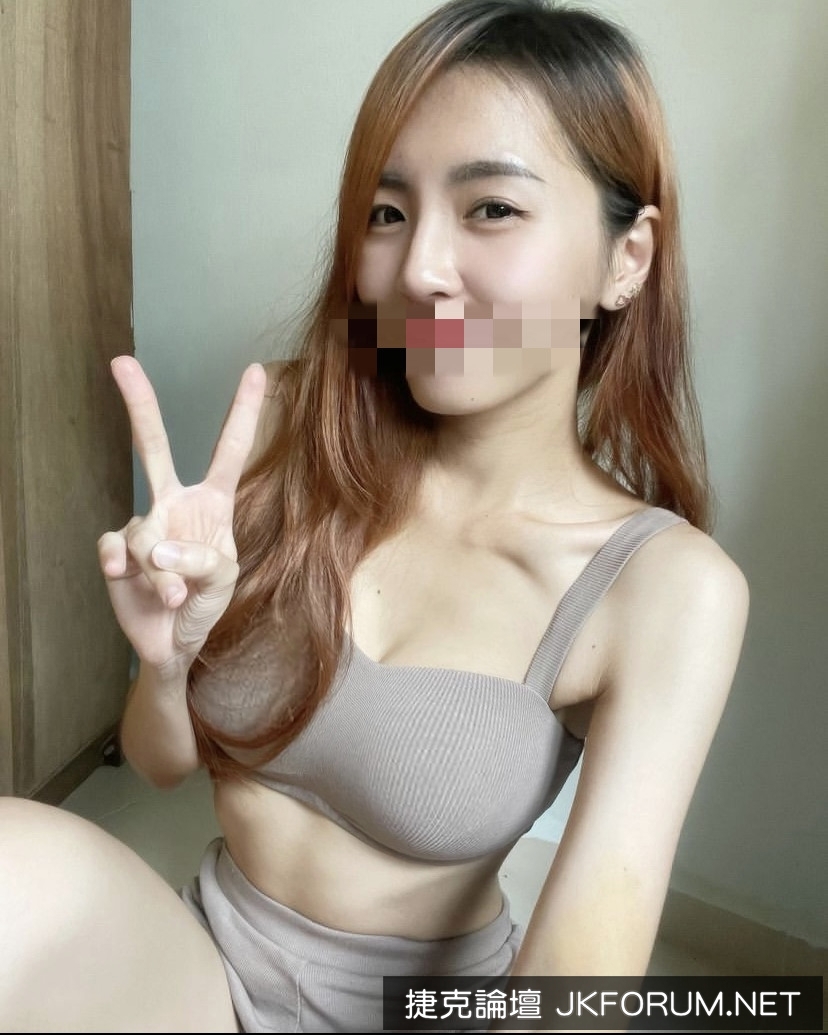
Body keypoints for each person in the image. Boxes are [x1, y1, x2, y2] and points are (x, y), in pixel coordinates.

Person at [0, 0, 749, 1031]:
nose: (420, 269)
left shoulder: (664, 588)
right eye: (388, 214)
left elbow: (577, 980)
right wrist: (168, 662)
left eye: (492, 208)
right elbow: (164, 761)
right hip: (207, 964)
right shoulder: (290, 427)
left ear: (627, 258)